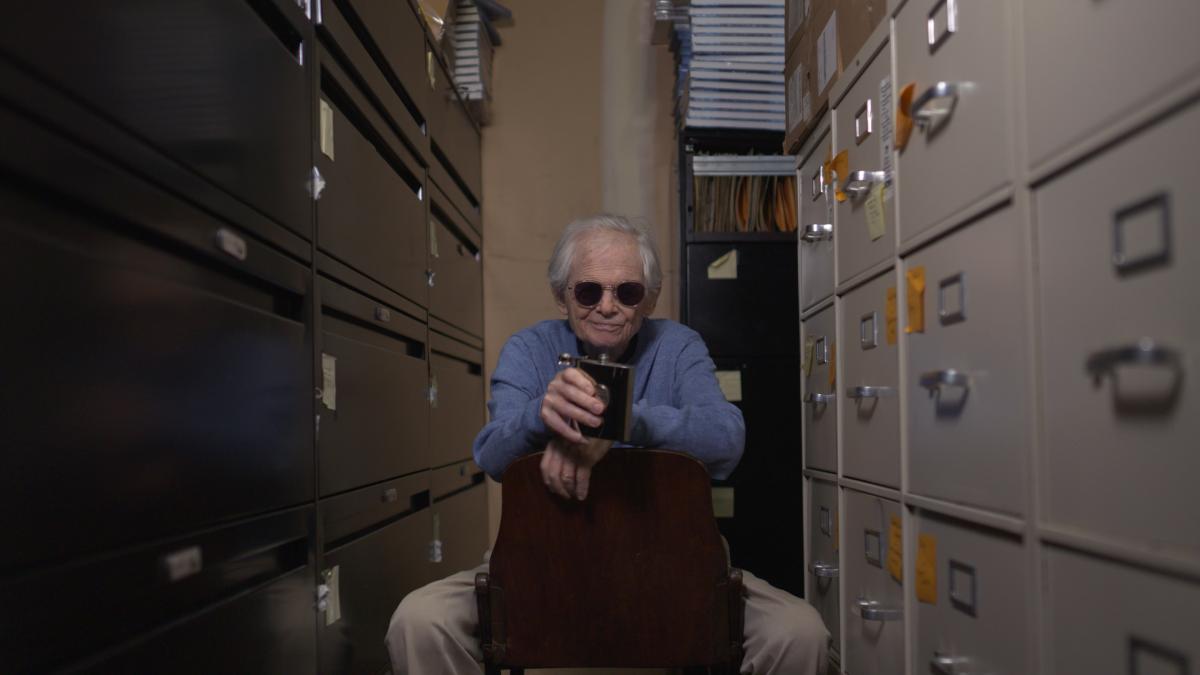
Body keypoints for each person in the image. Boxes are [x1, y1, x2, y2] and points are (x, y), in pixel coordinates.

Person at [386, 214, 829, 674]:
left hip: (673, 564)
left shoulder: (678, 346)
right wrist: (544, 414)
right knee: (418, 622)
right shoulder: (528, 349)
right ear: (561, 296)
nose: (607, 307)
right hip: (540, 564)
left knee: (799, 633)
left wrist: (619, 423)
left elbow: (726, 439)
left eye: (627, 292)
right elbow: (491, 455)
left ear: (649, 299)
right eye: (588, 291)